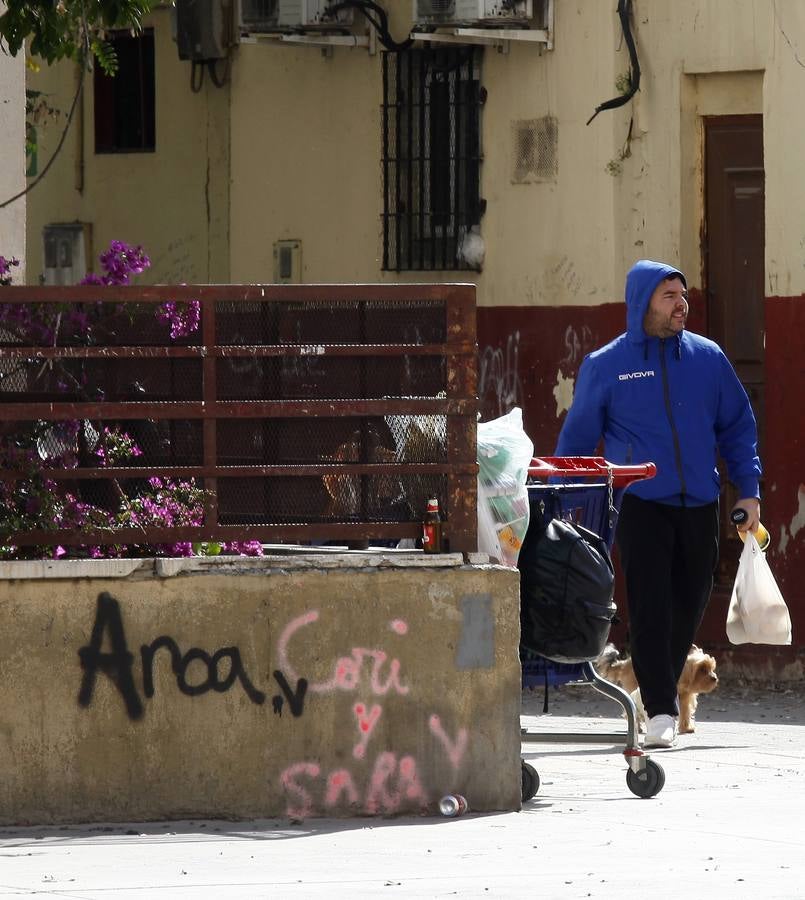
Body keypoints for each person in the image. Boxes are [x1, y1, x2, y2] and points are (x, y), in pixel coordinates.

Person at [554, 259, 762, 748]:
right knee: (650, 606)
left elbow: (737, 426)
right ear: (642, 301)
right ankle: (662, 709)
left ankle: (659, 692)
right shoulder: (606, 366)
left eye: (682, 297)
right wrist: (565, 497)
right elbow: (578, 438)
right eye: (669, 296)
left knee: (690, 602)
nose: (680, 305)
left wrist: (748, 490)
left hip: (700, 501)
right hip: (639, 501)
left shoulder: (708, 359)